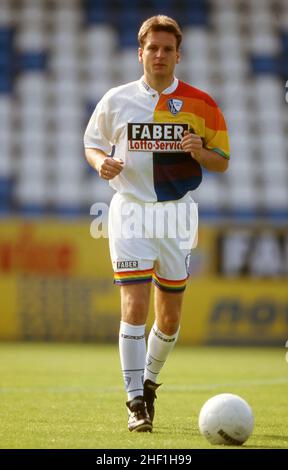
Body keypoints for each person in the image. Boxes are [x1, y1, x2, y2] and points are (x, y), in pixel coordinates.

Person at [84, 15, 230, 433]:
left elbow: (223, 161)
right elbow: (92, 143)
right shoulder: (116, 100)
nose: (160, 55)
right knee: (134, 306)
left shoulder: (202, 103)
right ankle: (134, 402)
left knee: (169, 319)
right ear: (140, 53)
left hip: (177, 213)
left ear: (178, 55)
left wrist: (201, 151)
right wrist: (101, 163)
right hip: (129, 209)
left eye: (168, 49)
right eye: (153, 48)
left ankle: (149, 384)